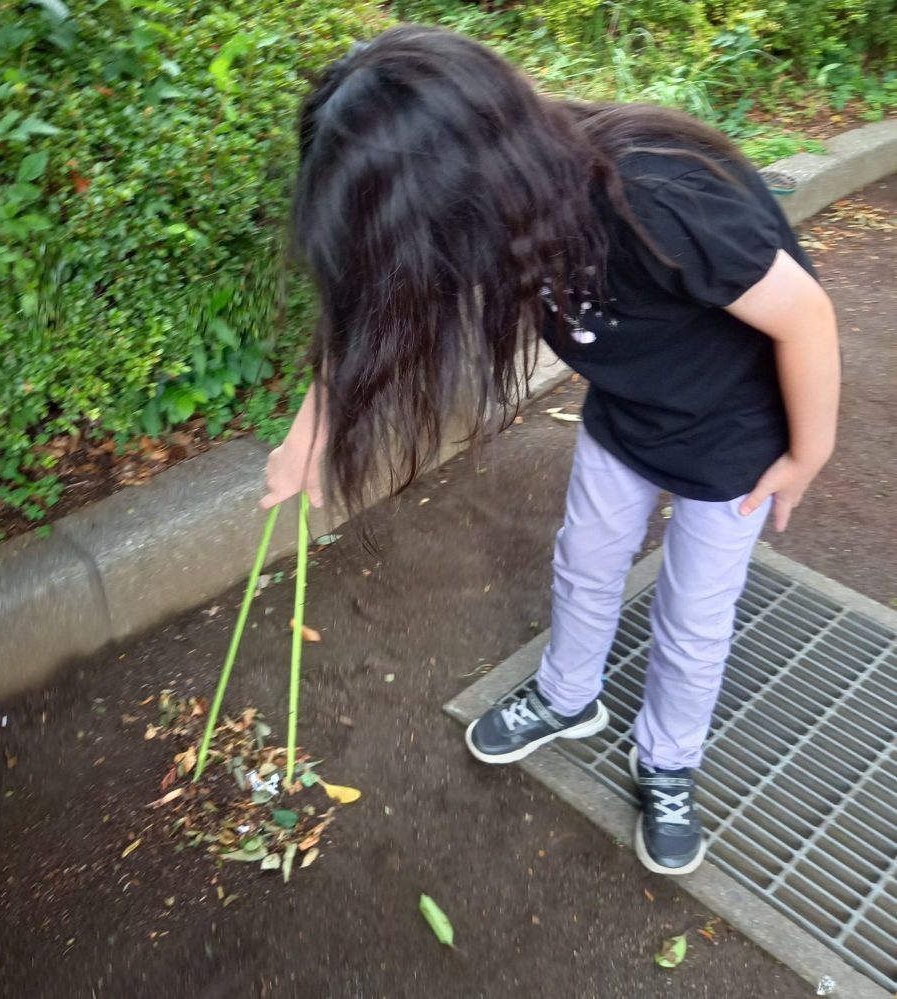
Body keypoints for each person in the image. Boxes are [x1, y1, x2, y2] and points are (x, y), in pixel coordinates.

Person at [259, 26, 839, 876]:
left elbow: (805, 317)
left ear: (470, 182)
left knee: (692, 617)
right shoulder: (492, 206)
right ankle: (568, 696)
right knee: (584, 562)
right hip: (625, 414)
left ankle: (667, 759)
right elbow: (374, 310)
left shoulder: (655, 195)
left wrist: (806, 454)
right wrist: (306, 434)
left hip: (735, 440)